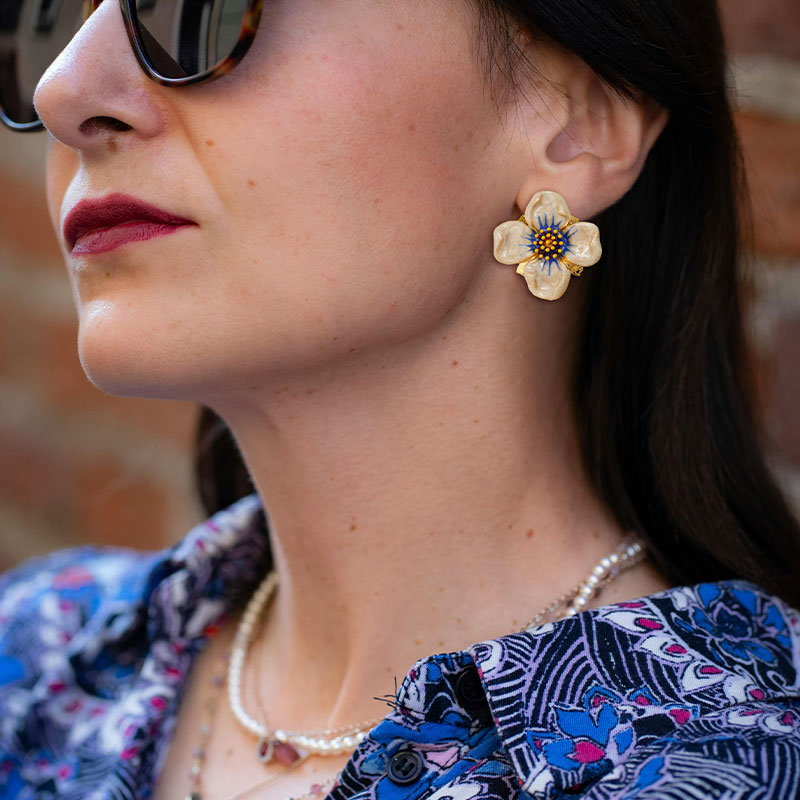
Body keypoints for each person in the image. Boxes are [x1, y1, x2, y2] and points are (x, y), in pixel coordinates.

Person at [1, 0, 800, 798]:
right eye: (43, 16)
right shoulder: (32, 666)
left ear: (578, 123)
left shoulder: (738, 768)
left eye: (198, 10)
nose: (63, 90)